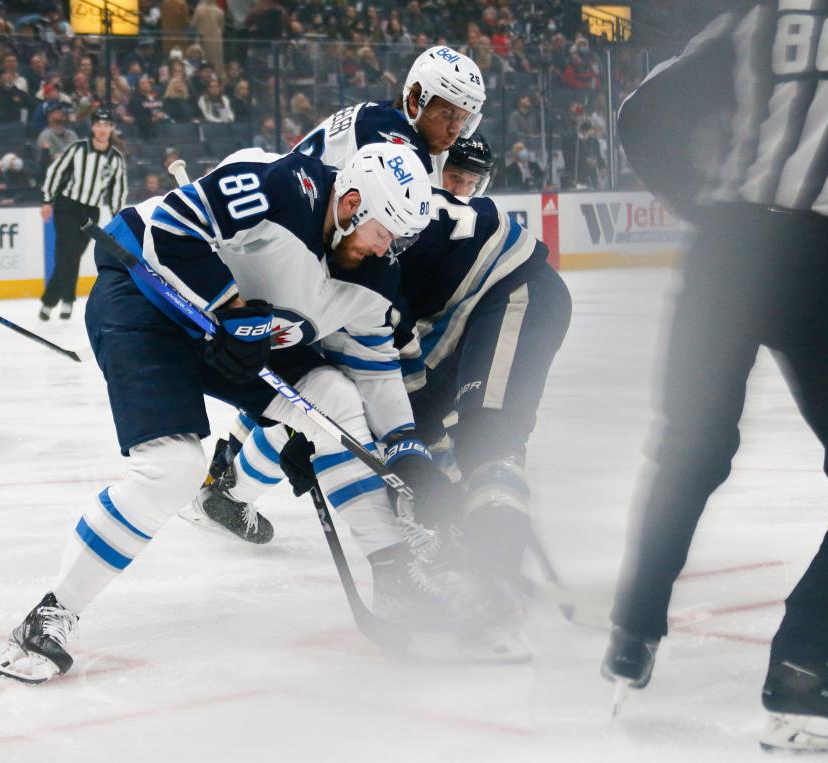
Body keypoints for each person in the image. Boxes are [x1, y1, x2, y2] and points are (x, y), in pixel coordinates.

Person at [0, 142, 438, 684]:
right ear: (352, 203)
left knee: (335, 404)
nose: (388, 249)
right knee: (172, 469)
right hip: (146, 302)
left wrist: (406, 445)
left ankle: (393, 572)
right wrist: (228, 309)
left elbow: (373, 368)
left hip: (238, 337)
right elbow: (171, 228)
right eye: (384, 232)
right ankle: (48, 617)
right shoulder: (282, 184)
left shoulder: (376, 274)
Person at [600, 3, 828, 752]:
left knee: (690, 446)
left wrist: (714, 210)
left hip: (727, 249)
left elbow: (646, 111)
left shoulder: (763, 13)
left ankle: (633, 627)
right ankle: (803, 664)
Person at [187, 135, 571, 660]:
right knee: (330, 409)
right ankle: (233, 487)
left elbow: (392, 372)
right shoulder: (337, 228)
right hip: (473, 299)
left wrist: (411, 454)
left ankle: (483, 571)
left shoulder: (373, 248)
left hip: (505, 292)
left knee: (465, 432)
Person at [293, 45, 487, 182]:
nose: (455, 129)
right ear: (414, 101)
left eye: (463, 117)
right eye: (447, 114)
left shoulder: (381, 116)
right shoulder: (395, 148)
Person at [38, 108, 127, 321]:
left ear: (112, 129)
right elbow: (55, 171)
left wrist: (118, 217)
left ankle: (49, 301)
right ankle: (67, 299)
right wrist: (48, 199)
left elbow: (118, 189)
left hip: (91, 212)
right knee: (66, 251)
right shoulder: (78, 149)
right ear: (93, 127)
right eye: (99, 125)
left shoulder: (116, 159)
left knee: (73, 254)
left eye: (107, 125)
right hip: (67, 206)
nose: (103, 129)